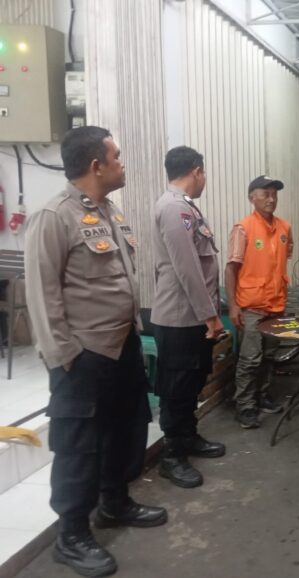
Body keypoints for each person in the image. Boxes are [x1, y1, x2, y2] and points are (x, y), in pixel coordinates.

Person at [24, 126, 167, 578]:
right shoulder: (54, 217)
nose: (122, 163)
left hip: (122, 344)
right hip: (83, 356)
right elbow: (42, 295)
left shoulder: (110, 212)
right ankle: (71, 535)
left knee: (126, 429)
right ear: (96, 165)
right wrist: (64, 356)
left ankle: (114, 502)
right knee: (79, 446)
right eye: (116, 156)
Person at [151, 146, 225, 489]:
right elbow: (188, 268)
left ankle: (188, 437)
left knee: (193, 382)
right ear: (196, 171)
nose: (204, 179)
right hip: (180, 318)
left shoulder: (185, 207)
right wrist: (210, 315)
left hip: (192, 318)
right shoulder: (173, 208)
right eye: (204, 173)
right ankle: (172, 456)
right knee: (176, 389)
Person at [225, 175, 293, 429]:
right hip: (251, 307)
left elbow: (283, 259)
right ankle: (245, 405)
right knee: (250, 359)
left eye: (274, 194)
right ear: (251, 197)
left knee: (270, 356)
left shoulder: (285, 228)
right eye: (265, 194)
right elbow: (230, 269)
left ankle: (262, 395)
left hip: (277, 306)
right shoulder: (243, 228)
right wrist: (233, 306)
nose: (271, 199)